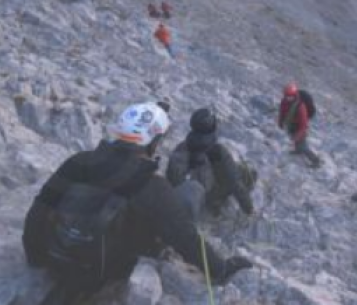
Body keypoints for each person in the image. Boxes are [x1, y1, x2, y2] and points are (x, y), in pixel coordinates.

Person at [22, 102, 252, 304]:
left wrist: (35, 256)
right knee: (187, 194)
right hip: (103, 269)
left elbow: (41, 207)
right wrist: (220, 269)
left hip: (56, 253)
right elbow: (187, 239)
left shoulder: (79, 161)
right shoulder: (151, 185)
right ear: (153, 141)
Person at [166, 108, 257, 218]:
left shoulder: (182, 147)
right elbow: (235, 183)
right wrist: (249, 209)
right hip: (206, 198)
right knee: (245, 173)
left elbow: (172, 177)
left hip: (184, 198)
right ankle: (215, 205)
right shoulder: (218, 151)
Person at [277, 82, 321, 168]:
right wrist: (280, 122)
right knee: (294, 138)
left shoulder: (301, 107)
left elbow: (303, 125)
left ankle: (316, 160)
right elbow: (282, 112)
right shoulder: (284, 101)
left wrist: (298, 136)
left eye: (290, 96)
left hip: (299, 126)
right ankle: (298, 150)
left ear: (294, 95)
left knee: (303, 145)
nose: (288, 98)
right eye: (287, 96)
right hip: (292, 124)